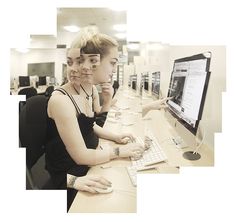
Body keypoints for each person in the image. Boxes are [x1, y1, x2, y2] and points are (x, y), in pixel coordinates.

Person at [45, 30, 144, 209]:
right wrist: (119, 152)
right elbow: (81, 156)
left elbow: (89, 124)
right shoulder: (61, 100)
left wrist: (114, 137)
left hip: (89, 160)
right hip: (69, 174)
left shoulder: (88, 90)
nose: (114, 70)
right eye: (112, 63)